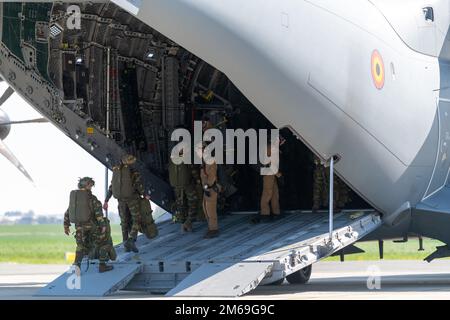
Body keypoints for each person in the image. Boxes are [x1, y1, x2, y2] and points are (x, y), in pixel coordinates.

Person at [64, 177, 113, 273]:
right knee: (103, 242)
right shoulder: (91, 198)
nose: (91, 187)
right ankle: (102, 266)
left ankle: (77, 267)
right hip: (91, 227)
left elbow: (68, 212)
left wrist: (66, 225)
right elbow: (98, 213)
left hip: (78, 227)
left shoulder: (75, 198)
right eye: (90, 185)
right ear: (87, 185)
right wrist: (103, 225)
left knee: (80, 246)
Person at [104, 154, 150, 253]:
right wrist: (145, 194)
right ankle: (131, 240)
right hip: (132, 199)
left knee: (124, 222)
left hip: (120, 200)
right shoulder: (133, 171)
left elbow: (112, 187)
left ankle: (125, 245)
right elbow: (138, 184)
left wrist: (106, 200)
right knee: (136, 219)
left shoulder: (116, 171)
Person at [252, 140, 282, 224]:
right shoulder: (270, 148)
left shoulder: (271, 147)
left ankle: (276, 212)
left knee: (274, 193)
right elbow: (270, 163)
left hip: (271, 172)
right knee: (267, 193)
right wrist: (279, 175)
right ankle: (265, 213)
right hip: (268, 172)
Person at [168, 149, 198, 232]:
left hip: (177, 187)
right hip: (187, 185)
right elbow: (193, 170)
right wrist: (198, 180)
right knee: (192, 202)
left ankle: (183, 223)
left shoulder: (172, 160)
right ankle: (189, 222)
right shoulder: (186, 158)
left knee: (180, 204)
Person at [199, 142, 220, 238]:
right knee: (205, 209)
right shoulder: (204, 161)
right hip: (206, 188)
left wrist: (207, 187)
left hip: (211, 189)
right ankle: (210, 228)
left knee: (211, 210)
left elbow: (212, 176)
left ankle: (213, 229)